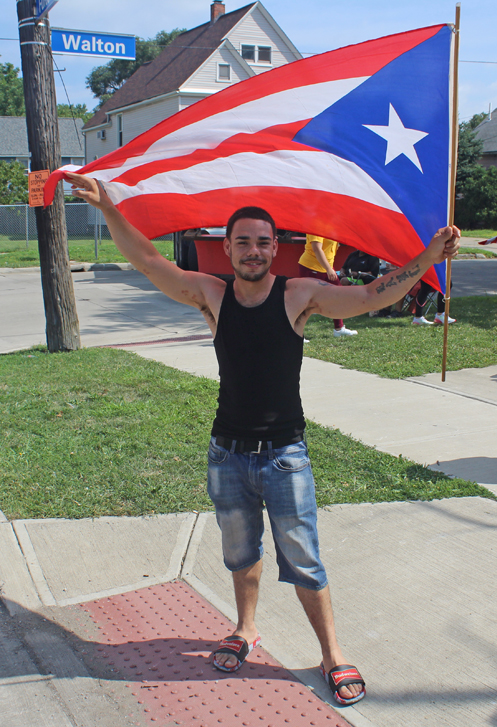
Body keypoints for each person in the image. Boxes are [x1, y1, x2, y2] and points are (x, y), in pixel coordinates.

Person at [64, 171, 460, 707]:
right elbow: (150, 262)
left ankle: (332, 654)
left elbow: (369, 295)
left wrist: (428, 256)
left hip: (284, 458)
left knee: (304, 560)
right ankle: (246, 629)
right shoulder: (212, 294)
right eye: (243, 241)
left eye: (263, 242)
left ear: (278, 248)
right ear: (225, 248)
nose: (253, 251)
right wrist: (110, 206)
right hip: (226, 454)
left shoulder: (299, 295)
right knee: (239, 554)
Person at [298, 235, 357, 337]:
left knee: (339, 295)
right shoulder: (316, 224)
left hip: (326, 267)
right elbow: (317, 249)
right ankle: (297, 333)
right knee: (307, 302)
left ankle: (339, 329)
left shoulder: (330, 226)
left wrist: (329, 268)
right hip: (311, 267)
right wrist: (329, 269)